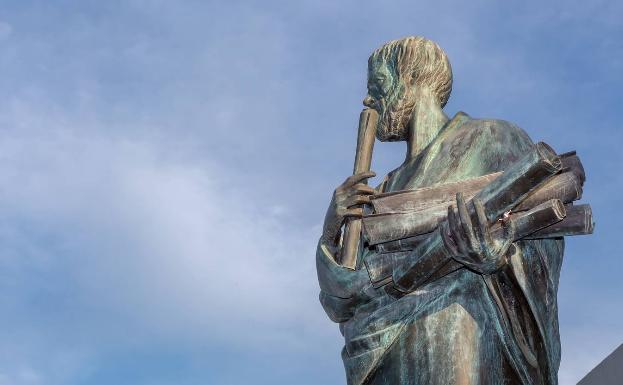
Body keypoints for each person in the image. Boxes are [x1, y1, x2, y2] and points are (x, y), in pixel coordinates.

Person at [316, 36, 564, 385]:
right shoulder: (382, 190)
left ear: (414, 79)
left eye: (379, 85)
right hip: (385, 357)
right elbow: (343, 301)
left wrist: (498, 255)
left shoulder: (491, 138)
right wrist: (332, 230)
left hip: (460, 333)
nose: (368, 98)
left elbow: (543, 233)